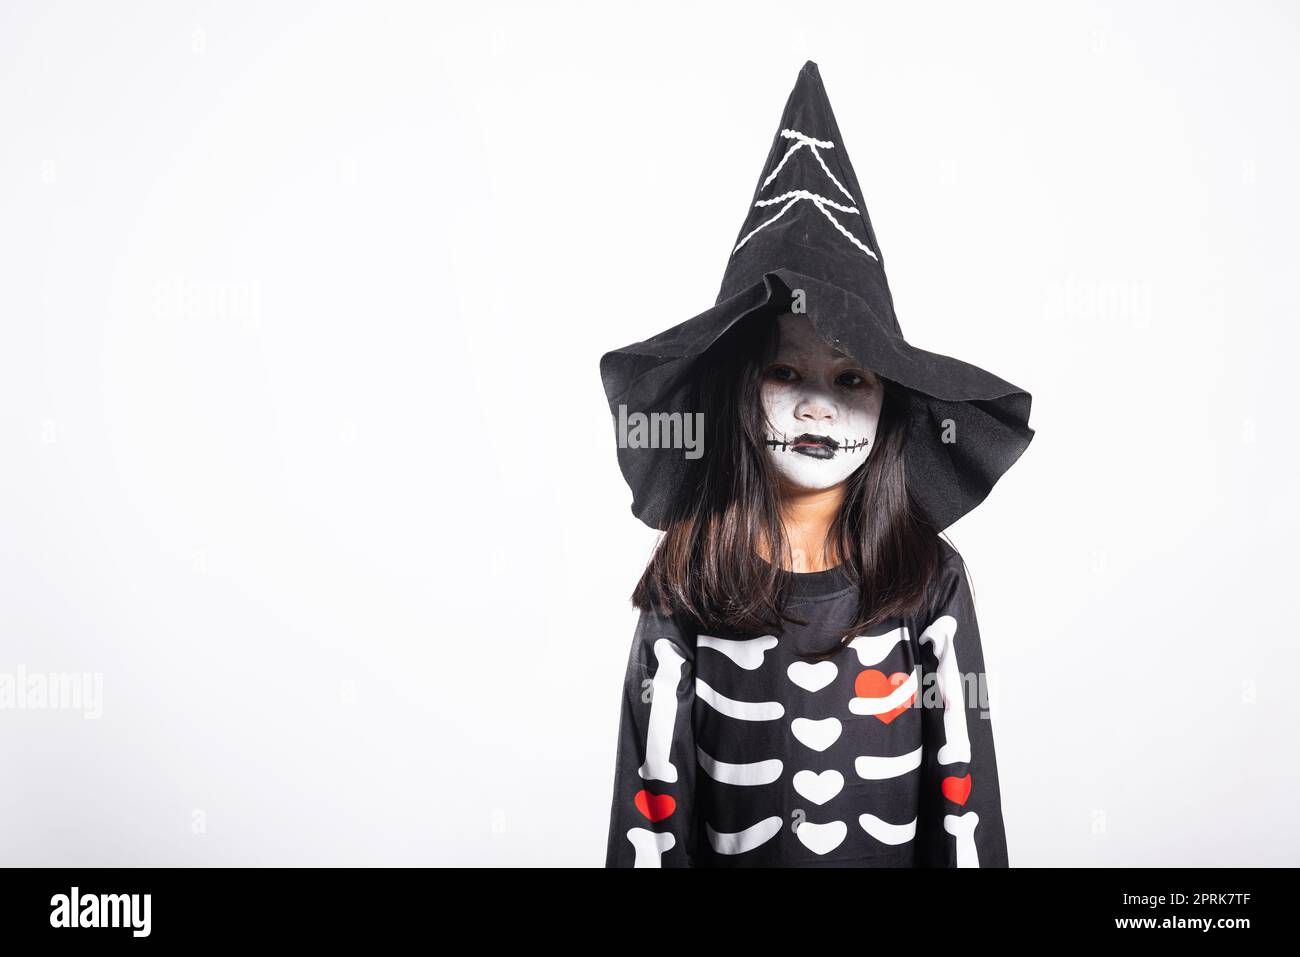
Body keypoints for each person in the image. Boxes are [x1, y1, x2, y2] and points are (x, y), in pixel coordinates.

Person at [599, 62, 1034, 867]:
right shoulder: (685, 582)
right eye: (786, 371)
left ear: (889, 402)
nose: (817, 407)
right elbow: (648, 812)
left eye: (851, 377)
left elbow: (967, 801)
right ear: (738, 388)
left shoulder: (928, 582)